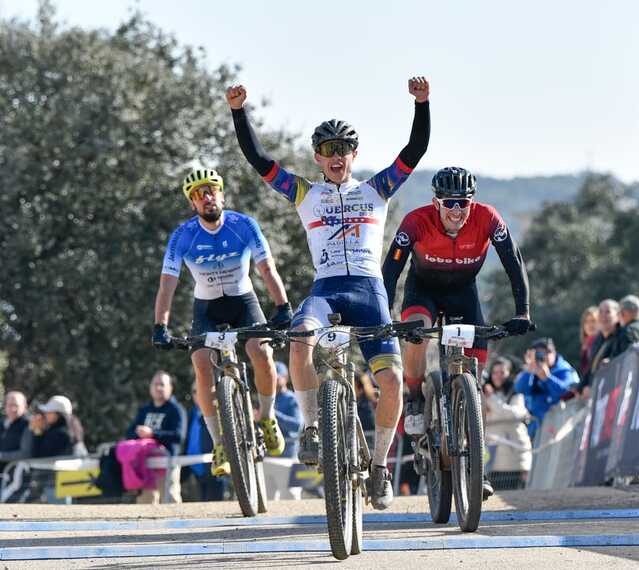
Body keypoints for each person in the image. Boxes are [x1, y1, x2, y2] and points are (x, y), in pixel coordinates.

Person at [228, 76, 430, 510]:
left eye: (344, 149)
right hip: (327, 290)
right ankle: (312, 428)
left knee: (391, 380)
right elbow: (259, 159)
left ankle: (378, 469)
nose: (337, 157)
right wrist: (239, 112)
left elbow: (414, 152)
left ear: (353, 154)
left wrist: (422, 103)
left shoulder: (376, 189)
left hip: (368, 290)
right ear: (318, 157)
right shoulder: (305, 192)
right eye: (329, 150)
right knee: (300, 340)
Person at [151, 167, 293, 478]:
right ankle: (219, 444)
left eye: (211, 190)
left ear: (222, 193)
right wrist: (160, 326)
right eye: (198, 195)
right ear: (193, 204)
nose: (206, 198)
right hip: (207, 307)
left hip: (243, 301)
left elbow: (267, 269)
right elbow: (167, 285)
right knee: (201, 361)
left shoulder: (244, 225)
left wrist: (282, 306)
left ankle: (267, 418)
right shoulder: (182, 236)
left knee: (261, 350)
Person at [381, 166, 531, 435]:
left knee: (477, 372)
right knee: (416, 332)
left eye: (463, 202)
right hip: (423, 289)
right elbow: (391, 270)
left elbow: (513, 262)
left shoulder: (487, 218)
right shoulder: (416, 221)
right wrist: (385, 313)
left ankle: (474, 454)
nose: (457, 210)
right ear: (436, 202)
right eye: (449, 202)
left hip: (463, 291)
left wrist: (523, 312)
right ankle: (415, 396)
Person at [125, 371, 187, 503]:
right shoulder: (145, 410)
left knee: (170, 501)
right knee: (145, 503)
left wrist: (152, 434)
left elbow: (178, 437)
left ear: (170, 388)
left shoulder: (176, 409)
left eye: (162, 384)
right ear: (150, 387)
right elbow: (130, 433)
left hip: (168, 463)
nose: (158, 388)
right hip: (145, 464)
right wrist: (139, 434)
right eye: (155, 384)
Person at [514, 338, 579, 440]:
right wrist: (529, 370)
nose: (544, 357)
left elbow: (568, 393)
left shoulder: (565, 370)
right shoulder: (532, 370)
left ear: (554, 352)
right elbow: (519, 389)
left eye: (548, 352)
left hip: (559, 428)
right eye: (539, 354)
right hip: (535, 428)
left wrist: (547, 378)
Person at [482, 357, 531, 490]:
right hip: (491, 461)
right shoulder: (481, 396)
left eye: (502, 372)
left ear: (509, 373)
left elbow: (513, 414)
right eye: (495, 372)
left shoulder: (515, 395)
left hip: (514, 460)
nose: (498, 376)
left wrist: (492, 399)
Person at [185, 384, 227, 501]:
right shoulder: (192, 413)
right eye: (195, 391)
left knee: (215, 503)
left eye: (201, 390)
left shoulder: (220, 412)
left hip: (214, 466)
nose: (198, 394)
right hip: (196, 469)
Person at [273, 362, 303, 459]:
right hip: (270, 453)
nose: (273, 380)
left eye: (277, 377)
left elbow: (297, 426)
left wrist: (272, 414)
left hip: (287, 454)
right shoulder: (269, 399)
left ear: (285, 378)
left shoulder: (292, 399)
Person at [0, 391, 33, 470]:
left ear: (25, 407)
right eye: (9, 405)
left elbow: (25, 454)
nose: (13, 409)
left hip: (15, 475)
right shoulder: (2, 423)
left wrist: (1, 456)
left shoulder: (28, 425)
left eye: (16, 405)